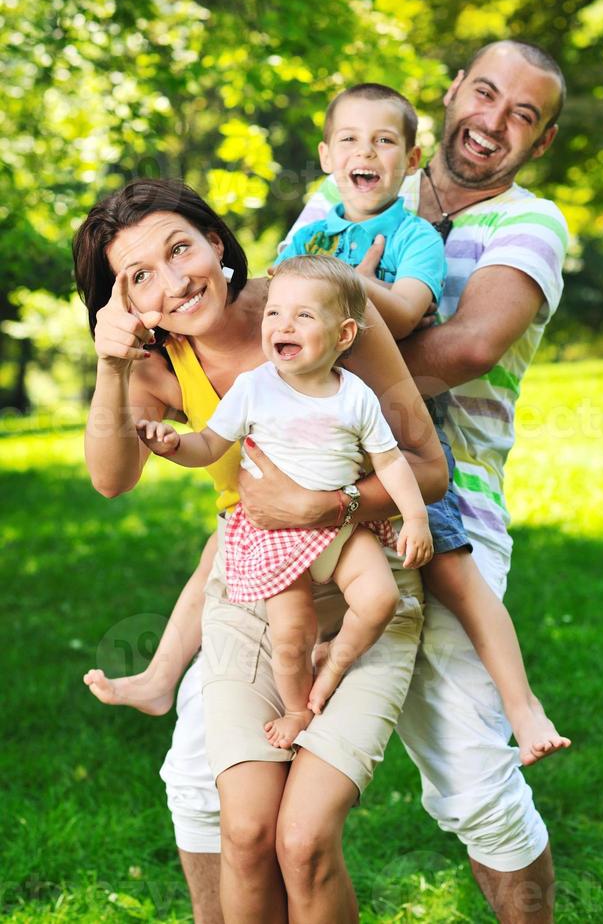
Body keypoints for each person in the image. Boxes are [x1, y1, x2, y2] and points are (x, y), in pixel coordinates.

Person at [75, 178, 446, 923]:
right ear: (123, 304)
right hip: (254, 592)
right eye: (139, 276)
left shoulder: (318, 304)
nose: (174, 282)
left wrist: (322, 504)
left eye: (181, 248)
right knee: (244, 832)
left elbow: (427, 469)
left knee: (302, 840)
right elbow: (112, 480)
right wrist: (110, 368)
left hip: (359, 590)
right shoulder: (156, 364)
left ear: (216, 242)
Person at [276, 39, 570, 922]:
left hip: (449, 503)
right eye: (485, 94)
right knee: (214, 772)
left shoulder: (531, 223)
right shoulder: (346, 188)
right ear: (452, 94)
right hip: (301, 500)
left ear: (542, 140)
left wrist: (325, 362)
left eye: (523, 114)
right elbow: (276, 311)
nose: (493, 122)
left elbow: (472, 345)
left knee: (476, 785)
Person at [133, 255, 434, 748]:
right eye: (273, 313)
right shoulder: (255, 388)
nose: (282, 325)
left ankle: (335, 659)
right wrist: (172, 445)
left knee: (380, 600)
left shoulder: (354, 395)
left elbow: (393, 462)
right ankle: (298, 710)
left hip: (342, 530)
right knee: (290, 636)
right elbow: (209, 444)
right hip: (277, 536)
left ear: (344, 336)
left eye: (304, 316)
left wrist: (416, 519)